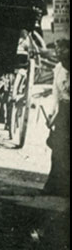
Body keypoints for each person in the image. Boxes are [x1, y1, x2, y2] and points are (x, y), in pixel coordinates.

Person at [43, 39, 69, 197]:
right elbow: (56, 94)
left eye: (64, 49)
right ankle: (53, 186)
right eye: (58, 49)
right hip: (64, 111)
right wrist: (52, 114)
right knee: (57, 149)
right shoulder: (58, 69)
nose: (59, 52)